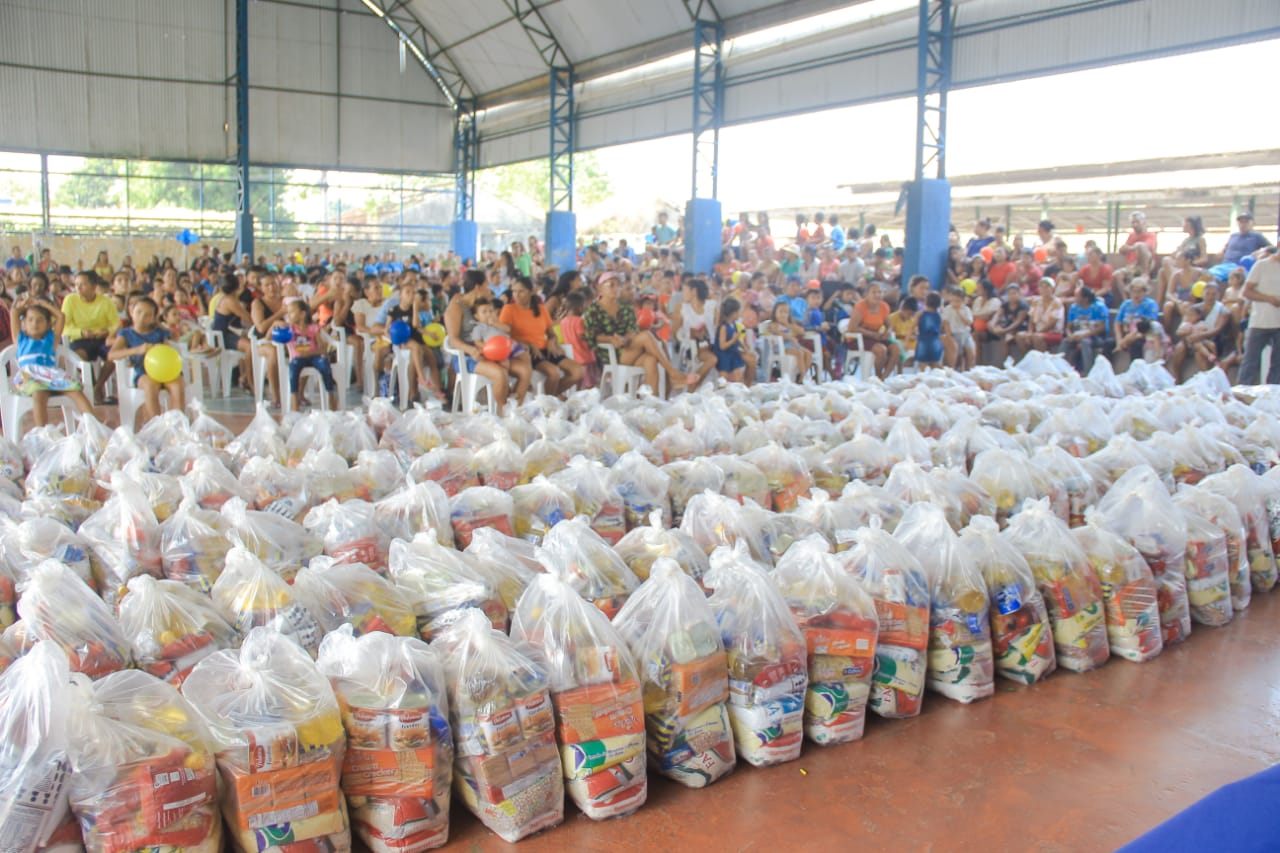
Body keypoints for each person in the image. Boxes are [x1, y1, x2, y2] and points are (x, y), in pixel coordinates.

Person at [583, 272, 686, 395]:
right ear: (600, 288)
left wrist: (625, 338)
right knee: (646, 335)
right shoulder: (593, 310)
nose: (616, 289)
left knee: (651, 360)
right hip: (610, 354)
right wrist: (610, 339)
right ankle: (671, 372)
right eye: (611, 285)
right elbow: (592, 336)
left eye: (618, 285)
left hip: (629, 349)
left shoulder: (625, 307)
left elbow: (633, 329)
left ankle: (651, 403)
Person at [8, 295, 95, 426]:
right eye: (30, 320)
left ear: (49, 324)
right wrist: (26, 304)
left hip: (51, 374)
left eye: (40, 320)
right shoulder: (20, 339)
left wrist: (41, 303)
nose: (35, 323)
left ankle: (94, 427)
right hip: (29, 376)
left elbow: (60, 316)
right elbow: (14, 312)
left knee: (76, 391)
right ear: (24, 323)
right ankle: (42, 432)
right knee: (39, 394)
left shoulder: (51, 339)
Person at [500, 275, 582, 397]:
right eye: (514, 291)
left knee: (577, 371)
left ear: (531, 292)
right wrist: (529, 344)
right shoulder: (508, 309)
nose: (516, 295)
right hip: (526, 352)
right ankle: (550, 402)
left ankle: (552, 397)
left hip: (545, 349)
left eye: (521, 291)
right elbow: (505, 335)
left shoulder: (541, 310)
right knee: (553, 373)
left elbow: (551, 334)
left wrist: (551, 342)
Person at [110, 297, 185, 426]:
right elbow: (111, 354)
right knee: (150, 386)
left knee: (177, 385)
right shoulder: (126, 333)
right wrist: (136, 350)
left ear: (153, 318)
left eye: (148, 315)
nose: (142, 317)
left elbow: (169, 348)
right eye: (138, 312)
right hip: (144, 372)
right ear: (131, 312)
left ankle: (176, 427)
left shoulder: (159, 333)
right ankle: (155, 427)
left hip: (166, 370)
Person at [60, 271, 119, 405]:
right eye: (76, 285)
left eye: (83, 284)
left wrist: (107, 331)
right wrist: (81, 332)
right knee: (80, 356)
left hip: (101, 338)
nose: (78, 288)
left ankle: (98, 387)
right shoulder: (70, 300)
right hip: (80, 339)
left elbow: (117, 324)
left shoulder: (105, 302)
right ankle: (91, 385)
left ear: (94, 286)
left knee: (115, 355)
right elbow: (64, 327)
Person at [281, 299, 337, 410]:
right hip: (298, 359)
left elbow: (322, 349)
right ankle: (295, 403)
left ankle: (331, 398)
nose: (288, 315)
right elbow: (270, 338)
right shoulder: (289, 329)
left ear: (302, 314)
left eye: (291, 312)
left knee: (325, 366)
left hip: (313, 357)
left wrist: (308, 353)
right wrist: (275, 324)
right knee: (293, 370)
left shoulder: (313, 328)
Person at [1239, 247, 1280, 385]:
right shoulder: (1262, 265)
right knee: (1250, 361)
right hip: (1260, 322)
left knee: (1278, 365)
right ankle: (1242, 396)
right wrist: (1269, 298)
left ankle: (1272, 398)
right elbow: (1247, 292)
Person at [845, 281, 898, 379]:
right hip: (859, 339)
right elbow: (852, 328)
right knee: (881, 350)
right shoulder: (861, 306)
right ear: (867, 294)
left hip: (877, 338)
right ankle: (877, 376)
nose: (877, 295)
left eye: (880, 292)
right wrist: (872, 334)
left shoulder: (884, 307)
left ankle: (883, 378)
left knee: (896, 349)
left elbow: (889, 325)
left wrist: (888, 332)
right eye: (874, 292)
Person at [672, 278, 719, 389]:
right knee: (712, 359)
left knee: (714, 357)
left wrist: (705, 331)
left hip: (711, 344)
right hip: (693, 346)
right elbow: (675, 332)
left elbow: (716, 327)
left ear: (693, 291)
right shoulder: (681, 307)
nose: (682, 294)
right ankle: (691, 387)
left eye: (684, 290)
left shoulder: (712, 306)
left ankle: (690, 384)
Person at [1059, 286, 1109, 373]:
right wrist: (1070, 335)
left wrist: (1085, 335)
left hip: (1095, 336)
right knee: (1065, 342)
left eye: (1077, 296)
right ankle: (1059, 368)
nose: (1074, 298)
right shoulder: (1074, 308)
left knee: (1085, 342)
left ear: (1085, 298)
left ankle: (1087, 371)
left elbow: (1102, 327)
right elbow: (1068, 326)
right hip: (1077, 335)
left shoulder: (1098, 307)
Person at [1113, 278, 1161, 363]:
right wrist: (1119, 340)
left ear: (1145, 292)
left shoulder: (1150, 304)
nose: (1136, 294)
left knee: (1136, 345)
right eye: (1133, 291)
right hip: (1126, 333)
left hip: (1142, 334)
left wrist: (1128, 339)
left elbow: (1147, 325)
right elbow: (1117, 323)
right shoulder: (1126, 304)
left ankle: (1136, 371)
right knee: (1108, 344)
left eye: (1139, 291)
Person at [763, 301, 813, 380]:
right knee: (799, 353)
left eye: (786, 312)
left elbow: (802, 332)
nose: (783, 314)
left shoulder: (789, 324)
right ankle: (804, 376)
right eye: (780, 312)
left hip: (792, 344)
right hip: (780, 346)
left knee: (809, 354)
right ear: (775, 313)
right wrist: (790, 338)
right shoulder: (773, 324)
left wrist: (788, 325)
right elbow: (778, 333)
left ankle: (801, 376)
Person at [713, 298, 756, 385]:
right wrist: (733, 340)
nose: (740, 314)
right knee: (723, 381)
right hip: (724, 355)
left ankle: (744, 390)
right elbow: (722, 346)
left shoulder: (734, 325)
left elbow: (738, 339)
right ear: (732, 313)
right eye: (738, 312)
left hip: (733, 352)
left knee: (739, 378)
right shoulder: (723, 327)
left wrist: (744, 348)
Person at [558, 290, 596, 387]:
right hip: (583, 356)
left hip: (571, 357)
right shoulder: (579, 321)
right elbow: (581, 335)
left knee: (577, 384)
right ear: (579, 307)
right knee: (588, 384)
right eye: (583, 306)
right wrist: (591, 335)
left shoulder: (563, 321)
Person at [1018, 278, 1065, 354]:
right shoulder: (1036, 301)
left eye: (1047, 287)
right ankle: (1028, 358)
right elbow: (1031, 319)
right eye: (1042, 287)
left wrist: (1036, 333)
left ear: (1052, 289)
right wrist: (1030, 332)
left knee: (1037, 337)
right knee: (1020, 336)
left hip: (1053, 332)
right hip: (1037, 331)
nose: (1044, 289)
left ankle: (1042, 360)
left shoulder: (1057, 303)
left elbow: (1052, 323)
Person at [941, 286, 974, 370]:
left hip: (965, 334)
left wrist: (959, 312)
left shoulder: (966, 310)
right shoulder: (947, 309)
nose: (955, 303)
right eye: (953, 300)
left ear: (963, 301)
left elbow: (969, 323)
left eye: (958, 301)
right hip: (953, 334)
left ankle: (968, 370)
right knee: (956, 356)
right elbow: (946, 323)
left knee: (970, 353)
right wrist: (949, 336)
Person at [915, 291, 944, 369]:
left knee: (922, 363)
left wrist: (907, 340)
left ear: (926, 302)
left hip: (923, 340)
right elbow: (941, 327)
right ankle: (938, 375)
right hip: (935, 340)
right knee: (935, 362)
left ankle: (923, 376)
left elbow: (912, 327)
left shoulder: (920, 314)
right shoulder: (939, 315)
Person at [887, 297, 918, 372]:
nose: (910, 316)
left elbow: (915, 333)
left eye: (912, 314)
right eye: (909, 314)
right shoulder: (892, 318)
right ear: (903, 309)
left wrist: (912, 337)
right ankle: (900, 370)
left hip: (910, 343)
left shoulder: (911, 320)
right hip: (896, 342)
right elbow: (889, 334)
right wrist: (903, 336)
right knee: (900, 347)